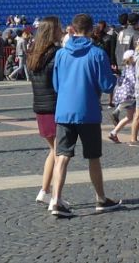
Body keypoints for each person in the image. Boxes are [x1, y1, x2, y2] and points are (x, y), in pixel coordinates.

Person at [47, 13, 123, 217]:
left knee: (62, 156)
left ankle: (56, 200)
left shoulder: (61, 54)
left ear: (73, 28)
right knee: (93, 157)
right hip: (88, 111)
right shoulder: (97, 53)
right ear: (91, 30)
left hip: (64, 111)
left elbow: (55, 84)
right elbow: (107, 85)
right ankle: (100, 198)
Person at [26, 17, 63, 207]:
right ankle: (56, 197)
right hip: (55, 107)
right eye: (60, 28)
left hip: (40, 108)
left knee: (53, 151)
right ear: (53, 31)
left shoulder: (33, 54)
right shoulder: (57, 54)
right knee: (60, 155)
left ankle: (44, 190)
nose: (62, 30)